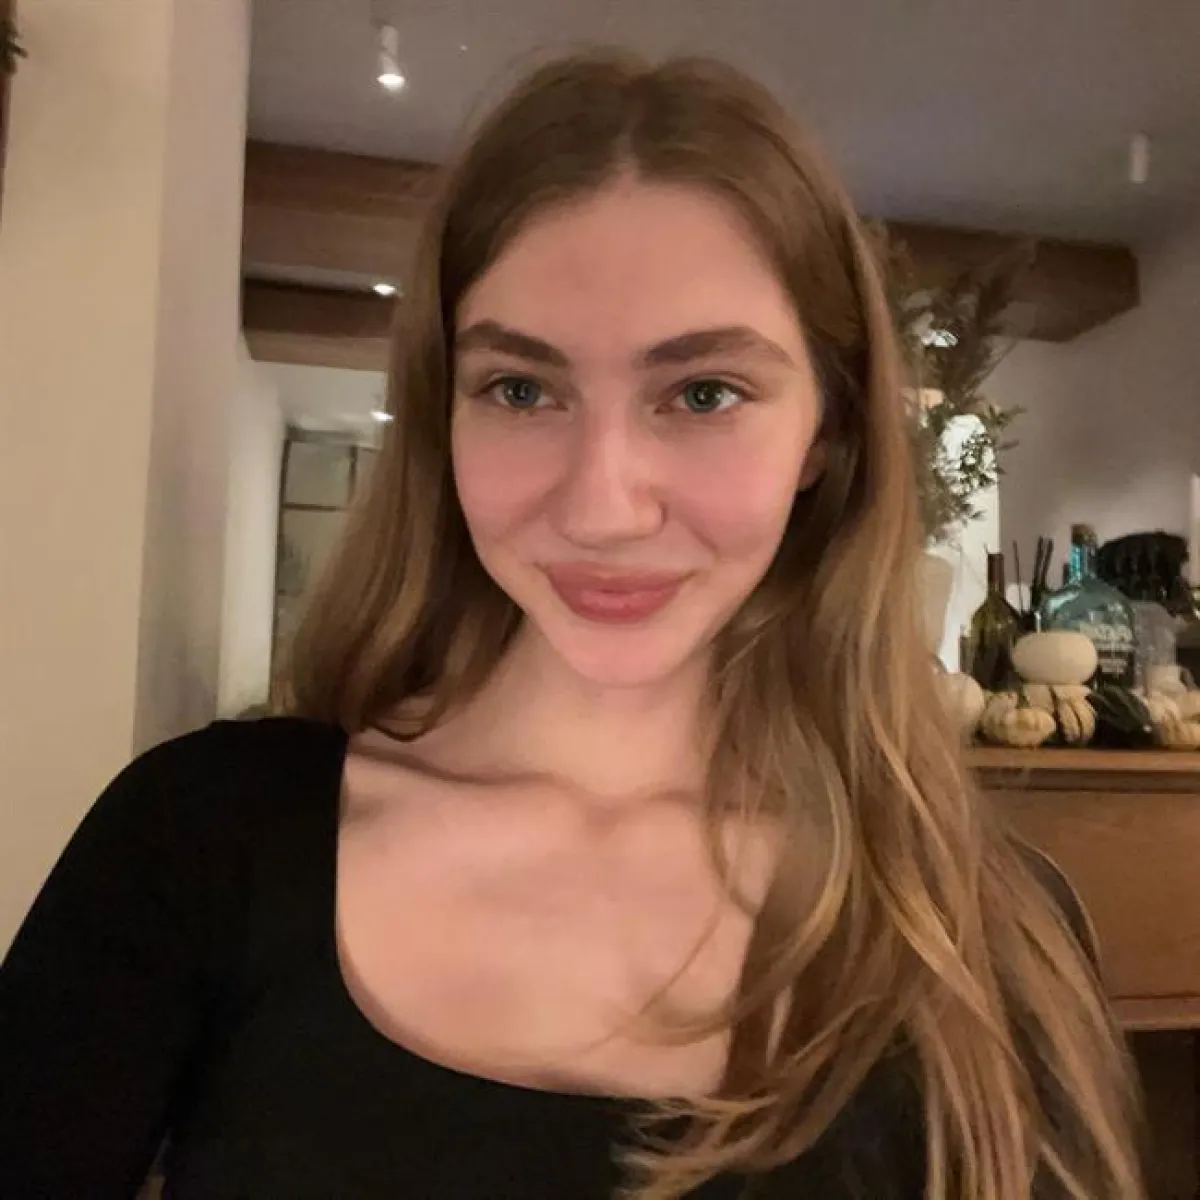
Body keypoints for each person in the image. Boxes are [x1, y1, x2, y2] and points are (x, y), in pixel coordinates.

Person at [0, 51, 1143, 1200]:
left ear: (827, 437)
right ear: (446, 416)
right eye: (521, 389)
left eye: (703, 393)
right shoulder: (201, 839)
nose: (602, 506)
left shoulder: (986, 931)